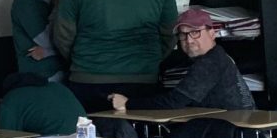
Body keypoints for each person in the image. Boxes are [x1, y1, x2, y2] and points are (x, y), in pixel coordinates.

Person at [108, 8, 253, 112]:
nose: (189, 40)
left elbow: (175, 101)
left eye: (195, 32)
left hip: (236, 137)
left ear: (212, 33)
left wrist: (128, 103)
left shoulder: (210, 62)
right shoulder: (217, 56)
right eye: (183, 35)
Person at [11, 0, 69, 81]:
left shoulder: (47, 0)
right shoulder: (25, 2)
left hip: (55, 70)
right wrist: (58, 7)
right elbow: (49, 39)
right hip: (41, 75)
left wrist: (48, 52)